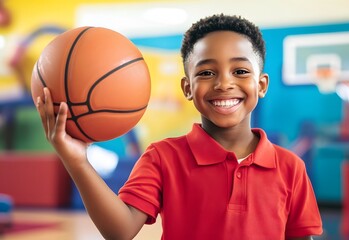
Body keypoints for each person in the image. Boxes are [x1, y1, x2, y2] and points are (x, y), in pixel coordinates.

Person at [36, 14, 323, 240]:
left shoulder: (290, 168)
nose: (224, 83)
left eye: (240, 71)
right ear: (188, 87)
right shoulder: (162, 157)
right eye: (207, 72)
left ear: (261, 85)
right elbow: (119, 232)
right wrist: (76, 160)